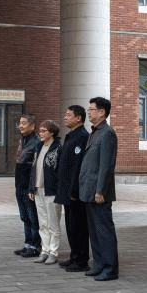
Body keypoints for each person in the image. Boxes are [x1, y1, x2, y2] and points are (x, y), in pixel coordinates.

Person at [80, 96, 119, 281]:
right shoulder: (95, 132)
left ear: (102, 112)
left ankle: (110, 269)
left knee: (104, 231)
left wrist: (100, 190)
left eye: (92, 110)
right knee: (94, 231)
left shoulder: (107, 133)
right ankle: (98, 264)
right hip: (89, 191)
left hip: (99, 193)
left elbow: (106, 166)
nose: (89, 113)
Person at [56, 105, 91, 272]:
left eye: (68, 115)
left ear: (78, 118)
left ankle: (81, 260)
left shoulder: (82, 137)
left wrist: (74, 191)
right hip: (67, 190)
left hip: (74, 192)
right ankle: (74, 256)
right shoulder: (71, 136)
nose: (65, 117)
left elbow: (78, 167)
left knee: (79, 227)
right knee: (70, 226)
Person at [28, 120, 62, 264]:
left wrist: (60, 191)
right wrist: (32, 187)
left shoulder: (58, 148)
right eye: (40, 131)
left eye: (44, 131)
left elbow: (60, 172)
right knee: (42, 223)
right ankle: (45, 250)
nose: (40, 133)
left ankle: (53, 252)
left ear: (52, 132)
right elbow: (34, 168)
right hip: (39, 189)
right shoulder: (39, 147)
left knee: (53, 223)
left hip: (51, 191)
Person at [13, 113, 41, 257]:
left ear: (32, 125)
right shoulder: (23, 140)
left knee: (32, 217)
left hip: (28, 187)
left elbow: (35, 167)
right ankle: (27, 243)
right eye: (20, 123)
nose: (21, 126)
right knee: (24, 216)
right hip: (20, 185)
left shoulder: (36, 142)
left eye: (24, 123)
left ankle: (35, 246)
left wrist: (32, 187)